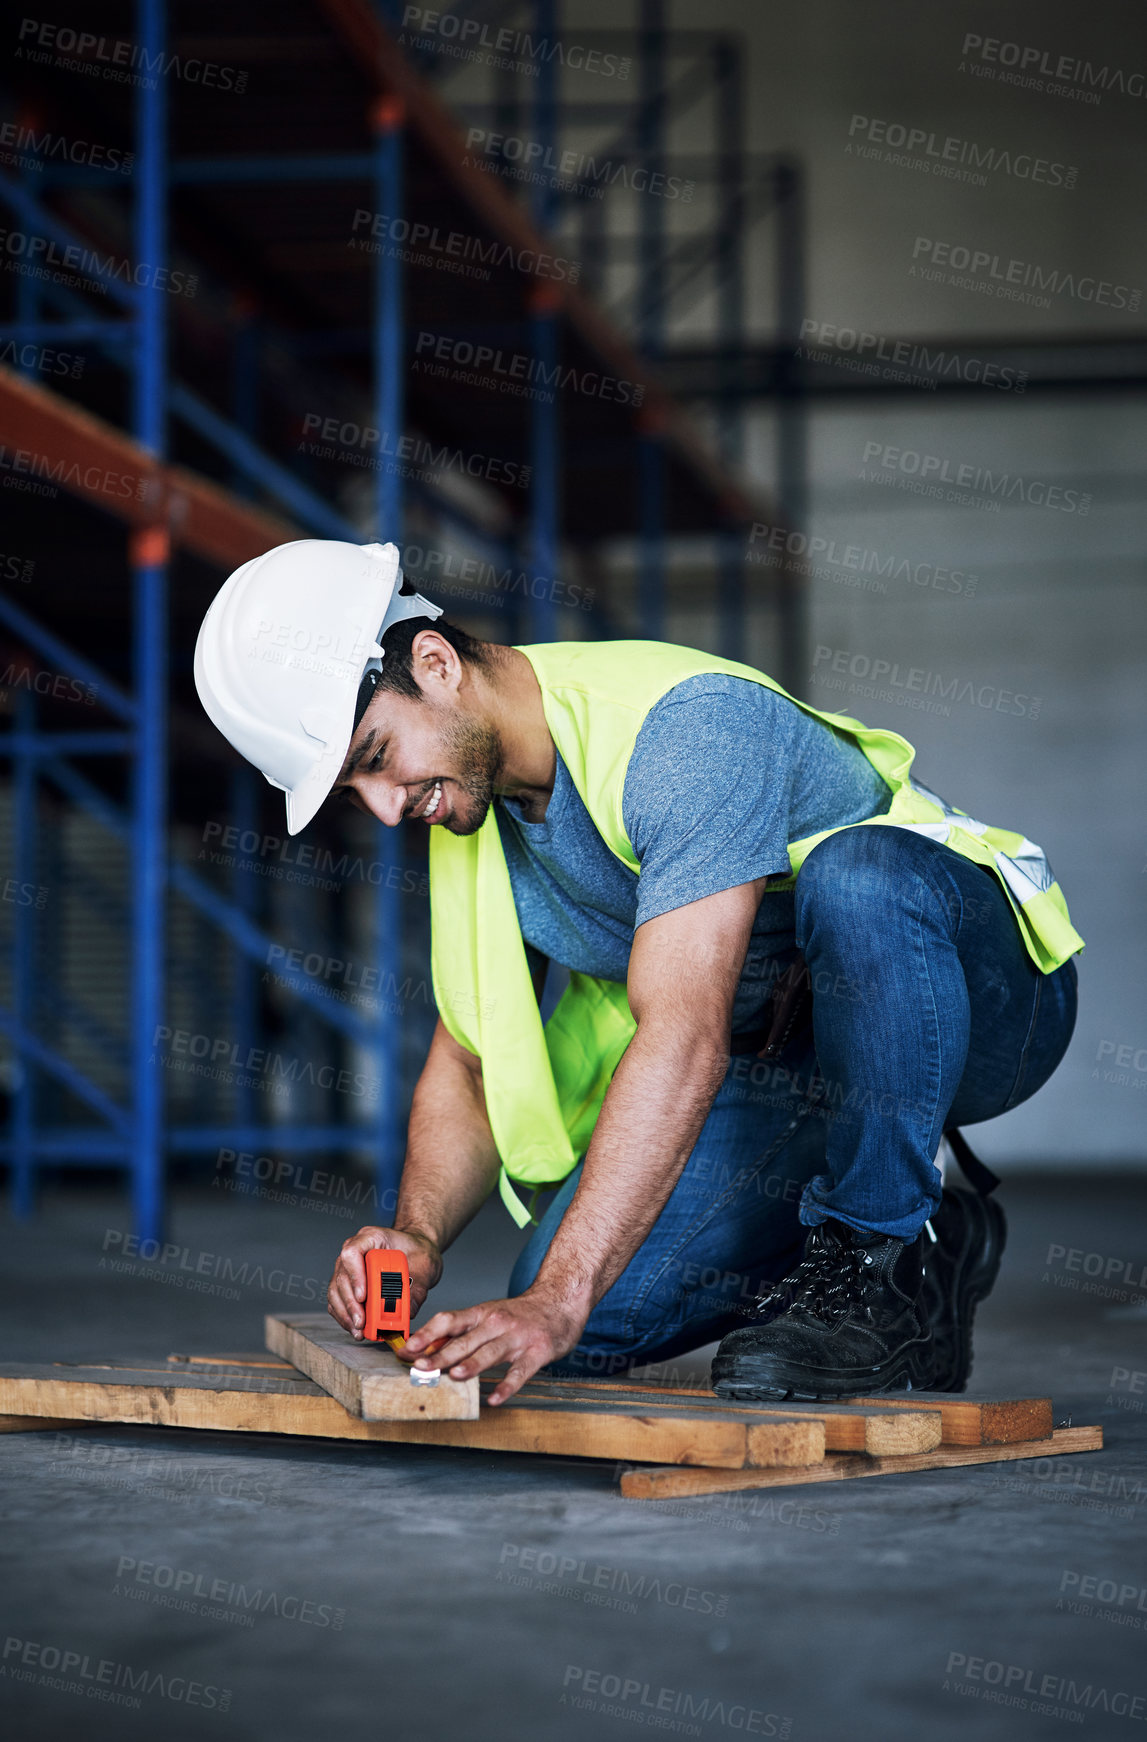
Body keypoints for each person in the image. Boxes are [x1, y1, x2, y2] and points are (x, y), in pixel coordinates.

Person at [195, 539, 1082, 1406]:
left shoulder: (680, 730)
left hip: (980, 1004)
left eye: (376, 758)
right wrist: (419, 1236)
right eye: (358, 792)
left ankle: (875, 1256)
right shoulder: (473, 811)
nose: (388, 810)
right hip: (788, 1058)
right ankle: (937, 1239)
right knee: (589, 1323)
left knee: (861, 880)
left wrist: (558, 1299)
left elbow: (682, 1038)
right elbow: (466, 1060)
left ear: (433, 663)